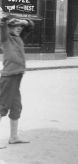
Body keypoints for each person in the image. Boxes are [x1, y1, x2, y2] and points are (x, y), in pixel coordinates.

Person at [0, 9, 34, 148]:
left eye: (20, 27)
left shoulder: (19, 37)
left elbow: (30, 25)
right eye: (16, 26)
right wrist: (5, 19)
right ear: (9, 27)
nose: (19, 29)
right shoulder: (5, 37)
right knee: (2, 107)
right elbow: (2, 24)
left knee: (16, 107)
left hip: (17, 77)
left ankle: (14, 137)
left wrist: (21, 21)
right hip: (8, 77)